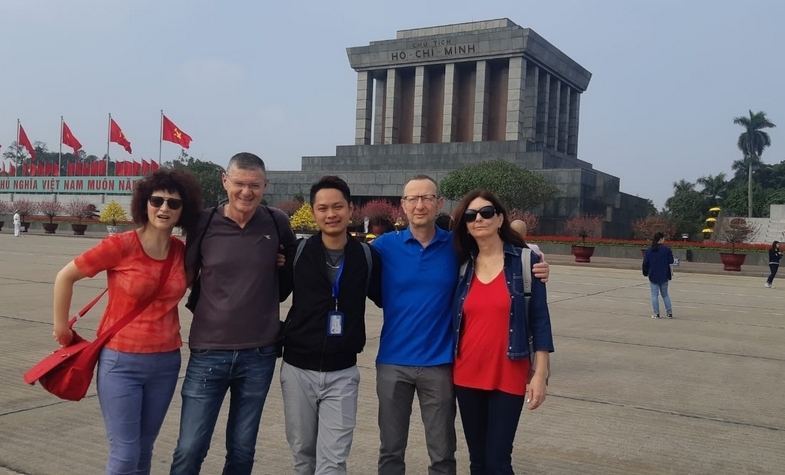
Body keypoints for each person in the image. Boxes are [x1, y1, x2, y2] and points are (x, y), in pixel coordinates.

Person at [371, 176, 550, 474]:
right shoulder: (382, 247)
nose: (419, 204)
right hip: (392, 362)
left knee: (443, 454)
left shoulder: (456, 248)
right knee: (390, 451)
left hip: (441, 364)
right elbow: (352, 273)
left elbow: (501, 254)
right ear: (402, 205)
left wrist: (539, 266)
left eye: (427, 197)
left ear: (439, 203)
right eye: (412, 199)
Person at [52, 169, 202, 474]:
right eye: (157, 200)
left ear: (183, 210)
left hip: (166, 362)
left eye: (174, 203)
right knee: (124, 455)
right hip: (121, 362)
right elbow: (65, 276)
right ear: (144, 203)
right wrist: (61, 327)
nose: (164, 208)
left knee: (144, 450)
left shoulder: (182, 253)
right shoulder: (121, 245)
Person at [171, 152, 296, 475]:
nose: (246, 192)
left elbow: (290, 280)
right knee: (190, 448)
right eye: (239, 183)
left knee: (242, 450)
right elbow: (184, 276)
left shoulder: (277, 222)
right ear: (225, 182)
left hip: (259, 353)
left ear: (265, 185)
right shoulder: (204, 222)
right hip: (209, 351)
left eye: (254, 185)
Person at [279, 176, 382, 474]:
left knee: (333, 461)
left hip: (343, 374)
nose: (331, 214)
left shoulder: (366, 255)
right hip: (297, 370)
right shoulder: (298, 253)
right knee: (302, 455)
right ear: (313, 212)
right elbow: (271, 292)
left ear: (351, 209)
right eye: (323, 208)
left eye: (338, 206)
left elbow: (390, 296)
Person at [450, 189, 554, 474]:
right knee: (478, 461)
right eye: (471, 216)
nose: (478, 220)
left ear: (499, 219)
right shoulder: (461, 266)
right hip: (467, 374)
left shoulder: (525, 262)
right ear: (466, 226)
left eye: (486, 213)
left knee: (498, 460)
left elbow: (540, 320)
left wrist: (540, 373)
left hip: (509, 372)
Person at [642, 232, 674, 319]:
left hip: (653, 275)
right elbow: (671, 261)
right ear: (661, 239)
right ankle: (669, 313)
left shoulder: (649, 250)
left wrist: (645, 272)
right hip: (664, 275)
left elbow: (645, 263)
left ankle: (656, 314)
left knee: (654, 295)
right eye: (663, 238)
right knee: (665, 295)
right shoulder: (667, 250)